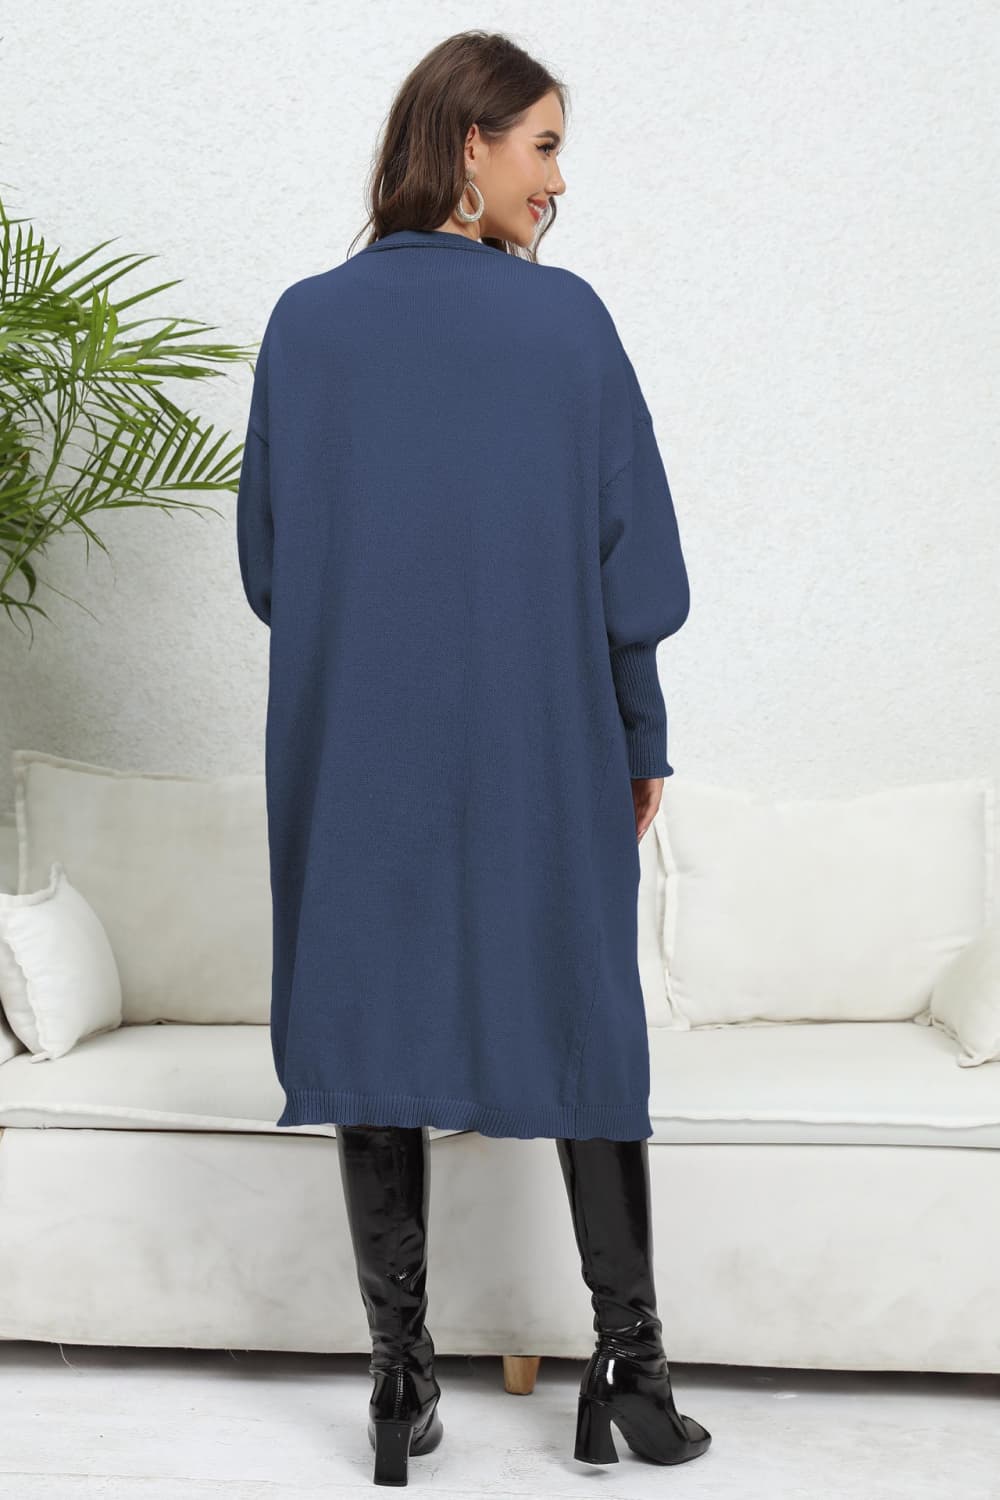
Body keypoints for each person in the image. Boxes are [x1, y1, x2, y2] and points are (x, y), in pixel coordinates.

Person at [236, 28, 711, 1488]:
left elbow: (270, 569)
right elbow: (632, 570)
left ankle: (400, 1382)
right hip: (543, 734)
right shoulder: (564, 325)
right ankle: (631, 1368)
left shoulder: (305, 324)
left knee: (370, 1010)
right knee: (581, 1010)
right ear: (468, 149)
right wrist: (639, 733)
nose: (558, 181)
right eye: (544, 146)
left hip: (353, 738)